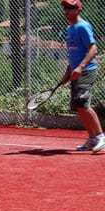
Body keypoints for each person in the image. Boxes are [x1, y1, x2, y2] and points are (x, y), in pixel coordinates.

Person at [60, 0, 104, 152]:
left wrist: (80, 67)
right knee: (79, 107)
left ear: (78, 10)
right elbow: (73, 53)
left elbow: (93, 49)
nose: (66, 10)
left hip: (86, 70)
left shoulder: (83, 26)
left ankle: (100, 136)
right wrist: (68, 72)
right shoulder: (69, 28)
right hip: (76, 71)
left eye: (70, 8)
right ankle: (92, 139)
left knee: (82, 103)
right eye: (65, 8)